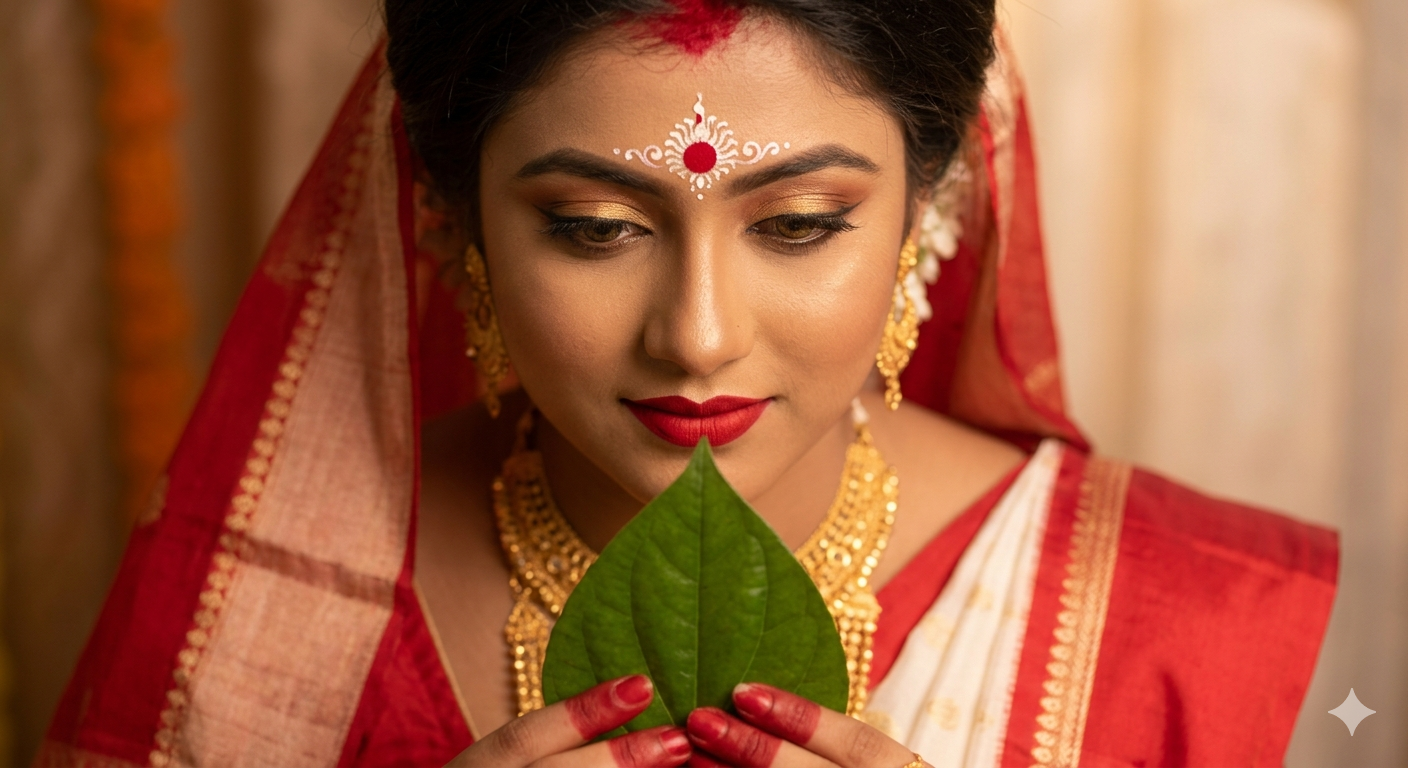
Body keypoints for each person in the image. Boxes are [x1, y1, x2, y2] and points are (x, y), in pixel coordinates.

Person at [38, 1, 1337, 766]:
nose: (698, 336)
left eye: (800, 223)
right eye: (598, 228)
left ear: (929, 208)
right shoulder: (263, 602)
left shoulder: (1199, 620)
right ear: (448, 221)